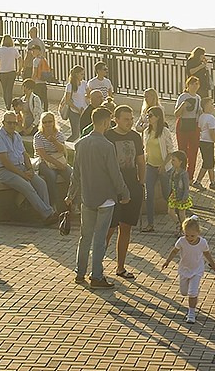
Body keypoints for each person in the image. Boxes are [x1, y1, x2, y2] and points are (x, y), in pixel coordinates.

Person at [68, 108, 130, 289]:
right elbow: (115, 174)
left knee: (85, 236)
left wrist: (71, 194)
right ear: (104, 123)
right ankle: (96, 276)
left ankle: (80, 272)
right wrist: (124, 192)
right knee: (100, 239)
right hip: (106, 198)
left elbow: (76, 173)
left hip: (87, 196)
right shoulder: (107, 146)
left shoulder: (81, 144)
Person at [0, 111, 60, 225]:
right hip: (3, 171)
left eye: (14, 123)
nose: (12, 125)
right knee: (27, 187)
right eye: (9, 123)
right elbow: (5, 161)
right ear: (3, 123)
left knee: (41, 184)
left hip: (21, 168)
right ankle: (47, 214)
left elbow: (24, 154)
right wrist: (22, 175)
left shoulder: (17, 135)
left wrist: (30, 170)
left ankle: (47, 213)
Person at [104, 105, 145, 280]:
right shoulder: (108, 136)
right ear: (116, 119)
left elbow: (141, 162)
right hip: (113, 189)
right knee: (109, 228)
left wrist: (141, 184)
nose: (130, 122)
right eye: (126, 119)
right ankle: (96, 265)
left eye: (131, 119)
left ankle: (120, 267)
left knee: (126, 227)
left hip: (132, 187)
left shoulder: (136, 137)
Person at [162, 215, 215, 324]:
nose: (189, 238)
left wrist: (213, 265)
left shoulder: (202, 243)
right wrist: (168, 261)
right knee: (184, 292)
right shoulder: (182, 241)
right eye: (187, 235)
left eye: (192, 235)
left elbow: (207, 254)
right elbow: (175, 251)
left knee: (192, 293)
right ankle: (194, 292)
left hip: (197, 270)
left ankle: (191, 313)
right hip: (184, 269)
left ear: (198, 232)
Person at [140, 106, 174, 232]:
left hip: (163, 167)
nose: (149, 118)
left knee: (166, 194)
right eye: (148, 115)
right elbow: (145, 149)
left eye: (151, 115)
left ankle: (179, 216)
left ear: (158, 117)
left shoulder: (164, 131)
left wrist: (163, 166)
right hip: (150, 166)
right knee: (149, 195)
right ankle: (150, 224)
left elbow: (171, 151)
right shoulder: (147, 131)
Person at [34, 112, 71, 209]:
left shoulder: (58, 134)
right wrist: (58, 164)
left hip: (58, 158)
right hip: (44, 162)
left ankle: (72, 201)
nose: (47, 124)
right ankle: (54, 204)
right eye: (44, 122)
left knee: (71, 174)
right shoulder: (38, 136)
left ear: (54, 122)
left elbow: (61, 150)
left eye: (49, 121)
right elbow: (43, 155)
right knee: (51, 175)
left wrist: (54, 141)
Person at [174, 76, 202, 179]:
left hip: (193, 125)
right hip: (182, 124)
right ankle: (181, 173)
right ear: (188, 85)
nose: (195, 86)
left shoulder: (198, 98)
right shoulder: (183, 96)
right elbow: (176, 114)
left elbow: (199, 112)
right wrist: (183, 105)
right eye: (192, 84)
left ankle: (190, 176)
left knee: (193, 151)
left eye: (196, 84)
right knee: (182, 150)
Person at [194, 98, 215, 189]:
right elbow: (212, 132)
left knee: (209, 162)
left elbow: (200, 127)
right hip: (208, 142)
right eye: (211, 104)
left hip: (202, 141)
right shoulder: (210, 118)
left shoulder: (202, 116)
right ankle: (198, 181)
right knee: (208, 162)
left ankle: (212, 182)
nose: (213, 105)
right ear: (206, 106)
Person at [166, 151, 192, 233]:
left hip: (181, 196)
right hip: (173, 195)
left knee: (182, 214)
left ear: (180, 162)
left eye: (174, 160)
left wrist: (185, 197)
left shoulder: (183, 174)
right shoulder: (173, 171)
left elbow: (186, 187)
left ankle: (184, 229)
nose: (172, 162)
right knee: (170, 211)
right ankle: (178, 224)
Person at [0, 34, 21, 111]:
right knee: (9, 89)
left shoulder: (0, 49)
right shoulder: (13, 49)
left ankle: (7, 104)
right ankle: (9, 105)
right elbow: (20, 59)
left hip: (2, 72)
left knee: (4, 89)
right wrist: (19, 69)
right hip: (11, 72)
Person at [62, 66, 88, 141]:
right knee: (75, 134)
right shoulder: (70, 86)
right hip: (74, 111)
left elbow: (88, 95)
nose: (83, 76)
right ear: (76, 74)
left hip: (83, 110)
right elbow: (67, 101)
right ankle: (66, 145)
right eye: (81, 74)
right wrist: (77, 109)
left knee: (83, 132)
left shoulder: (84, 83)